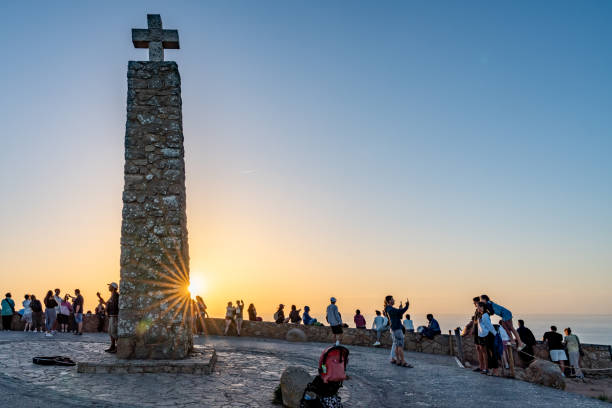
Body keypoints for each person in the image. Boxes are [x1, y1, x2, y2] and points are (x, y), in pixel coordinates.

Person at [384, 295, 412, 367]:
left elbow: (399, 315)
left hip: (394, 328)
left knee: (396, 346)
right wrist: (407, 306)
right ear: (389, 301)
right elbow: (400, 312)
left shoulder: (388, 309)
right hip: (397, 329)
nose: (394, 300)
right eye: (393, 299)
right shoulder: (390, 309)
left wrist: (400, 309)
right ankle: (403, 361)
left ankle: (398, 361)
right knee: (400, 346)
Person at [476, 301, 498, 375]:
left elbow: (489, 326)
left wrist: (495, 334)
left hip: (487, 336)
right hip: (482, 336)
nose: (478, 308)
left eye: (479, 307)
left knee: (489, 353)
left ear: (483, 307)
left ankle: (491, 370)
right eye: (477, 307)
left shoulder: (485, 315)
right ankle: (487, 369)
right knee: (485, 353)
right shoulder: (480, 315)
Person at [98, 282, 119, 353]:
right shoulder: (112, 295)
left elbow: (113, 305)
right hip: (111, 316)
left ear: (113, 287)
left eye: (109, 286)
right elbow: (106, 304)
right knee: (110, 332)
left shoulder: (116, 295)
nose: (108, 287)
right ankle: (112, 346)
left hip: (115, 316)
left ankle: (118, 347)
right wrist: (99, 297)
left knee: (113, 332)